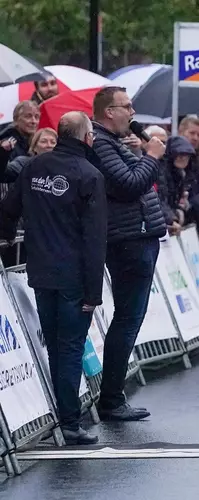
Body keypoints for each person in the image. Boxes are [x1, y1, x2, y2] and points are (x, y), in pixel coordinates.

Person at [0, 111, 106, 445]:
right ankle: (70, 422)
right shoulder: (89, 174)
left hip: (40, 271)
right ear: (86, 138)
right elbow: (94, 238)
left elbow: (7, 209)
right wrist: (94, 291)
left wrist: (7, 235)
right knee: (70, 347)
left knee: (55, 346)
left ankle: (66, 416)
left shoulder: (34, 166)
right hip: (73, 275)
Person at [91, 86, 166, 421]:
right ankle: (111, 399)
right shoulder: (102, 143)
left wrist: (145, 156)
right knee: (126, 318)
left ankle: (113, 395)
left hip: (140, 236)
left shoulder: (116, 143)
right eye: (127, 106)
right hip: (127, 242)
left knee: (130, 318)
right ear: (110, 111)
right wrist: (150, 156)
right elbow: (129, 184)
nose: (133, 113)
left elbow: (144, 181)